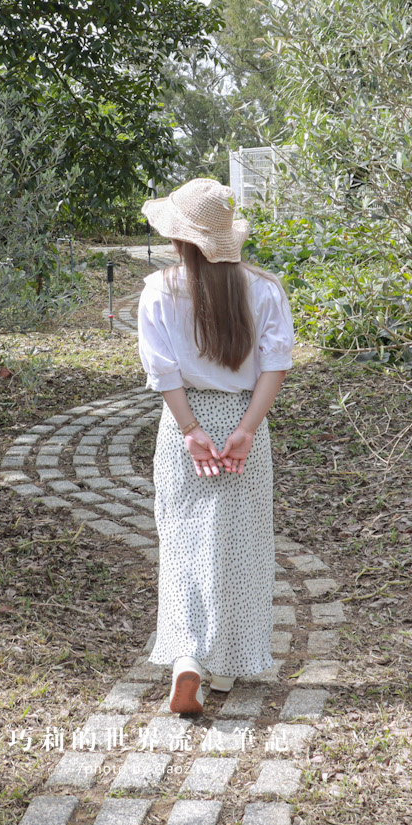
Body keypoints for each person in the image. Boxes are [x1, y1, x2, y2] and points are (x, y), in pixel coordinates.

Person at [135, 177, 295, 715]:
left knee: (183, 542)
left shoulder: (160, 289)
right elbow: (275, 365)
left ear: (180, 240)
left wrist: (190, 430)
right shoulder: (264, 289)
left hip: (187, 423)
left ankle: (186, 658)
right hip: (243, 421)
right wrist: (246, 430)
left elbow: (161, 371)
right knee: (240, 544)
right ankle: (225, 664)